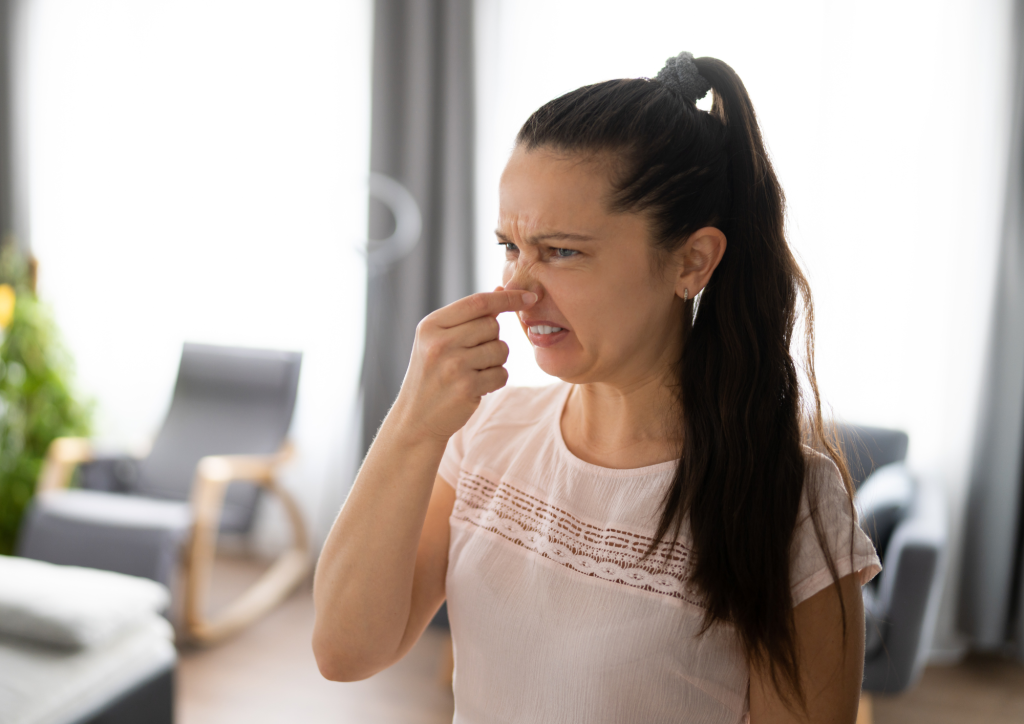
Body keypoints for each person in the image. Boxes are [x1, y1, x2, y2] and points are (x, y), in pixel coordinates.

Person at [313, 51, 881, 724]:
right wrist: (413, 420)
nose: (517, 290)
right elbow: (345, 652)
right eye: (510, 247)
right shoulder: (483, 436)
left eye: (562, 252)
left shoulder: (789, 502)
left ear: (691, 262)